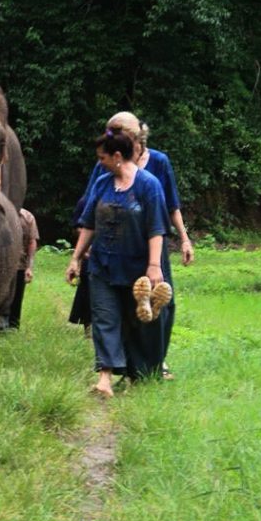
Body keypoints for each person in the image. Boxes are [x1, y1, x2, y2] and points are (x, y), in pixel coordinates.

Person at [81, 112, 193, 379]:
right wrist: (85, 245)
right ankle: (120, 367)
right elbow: (92, 203)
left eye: (116, 132)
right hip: (115, 248)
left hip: (151, 248)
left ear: (134, 136)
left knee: (159, 306)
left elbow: (171, 206)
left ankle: (156, 362)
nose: (111, 137)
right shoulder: (105, 164)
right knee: (117, 306)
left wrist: (184, 239)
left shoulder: (159, 163)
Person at [65, 128, 171, 398]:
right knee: (104, 318)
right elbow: (88, 224)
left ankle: (137, 373)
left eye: (102, 157)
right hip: (102, 265)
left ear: (117, 156)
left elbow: (156, 228)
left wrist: (154, 266)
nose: (99, 162)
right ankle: (105, 378)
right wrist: (76, 258)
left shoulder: (148, 185)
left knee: (135, 320)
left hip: (136, 268)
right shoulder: (102, 183)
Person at [8, 207, 39, 329]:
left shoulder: (27, 216)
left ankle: (13, 325)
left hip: (19, 265)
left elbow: (32, 241)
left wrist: (29, 267)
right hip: (0, 265)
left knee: (16, 297)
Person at [66, 196, 92, 338]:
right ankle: (88, 329)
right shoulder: (86, 201)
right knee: (87, 289)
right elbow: (77, 226)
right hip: (89, 251)